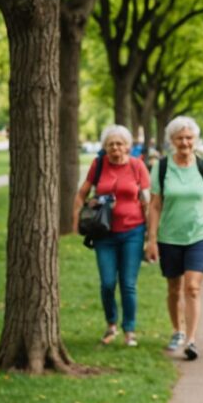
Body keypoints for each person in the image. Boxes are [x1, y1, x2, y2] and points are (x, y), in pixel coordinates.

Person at [145, 116, 203, 361]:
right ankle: (177, 330)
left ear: (195, 140)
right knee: (174, 288)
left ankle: (190, 339)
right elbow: (155, 205)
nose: (185, 142)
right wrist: (151, 239)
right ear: (172, 140)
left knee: (192, 288)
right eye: (180, 138)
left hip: (199, 235)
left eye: (189, 137)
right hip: (169, 236)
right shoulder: (161, 167)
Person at [72, 125, 150, 347]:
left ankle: (130, 330)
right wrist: (77, 217)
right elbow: (82, 193)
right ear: (105, 147)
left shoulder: (137, 166)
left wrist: (150, 234)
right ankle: (111, 325)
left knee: (128, 283)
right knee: (107, 283)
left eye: (119, 143)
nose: (115, 148)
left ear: (127, 146)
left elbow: (146, 200)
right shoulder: (98, 165)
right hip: (104, 233)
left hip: (133, 232)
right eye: (110, 144)